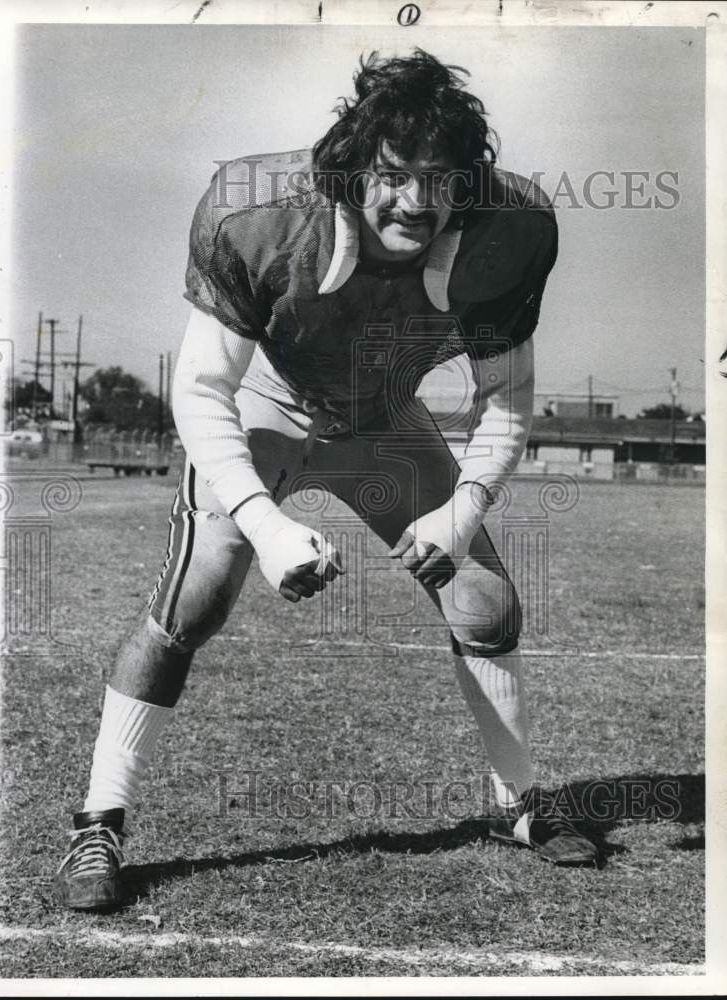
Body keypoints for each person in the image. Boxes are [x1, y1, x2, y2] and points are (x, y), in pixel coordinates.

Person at [55, 49, 598, 911]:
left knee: (485, 599)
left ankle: (516, 803)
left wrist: (458, 516)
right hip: (269, 406)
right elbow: (200, 389)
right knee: (196, 595)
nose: (417, 202)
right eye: (393, 175)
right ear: (352, 169)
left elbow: (505, 399)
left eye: (440, 178)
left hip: (383, 417)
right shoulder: (261, 214)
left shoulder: (510, 231)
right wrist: (267, 526)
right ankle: (99, 820)